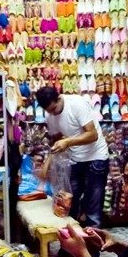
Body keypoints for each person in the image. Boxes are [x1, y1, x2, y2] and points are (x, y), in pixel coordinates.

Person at [35, 86, 109, 229]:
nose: (52, 113)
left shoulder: (77, 104)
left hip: (96, 157)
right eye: (49, 111)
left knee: (93, 207)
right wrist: (46, 165)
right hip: (75, 159)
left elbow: (93, 135)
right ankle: (71, 239)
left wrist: (68, 142)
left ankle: (92, 242)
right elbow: (56, 142)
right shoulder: (50, 116)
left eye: (54, 109)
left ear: (59, 98)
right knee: (68, 202)